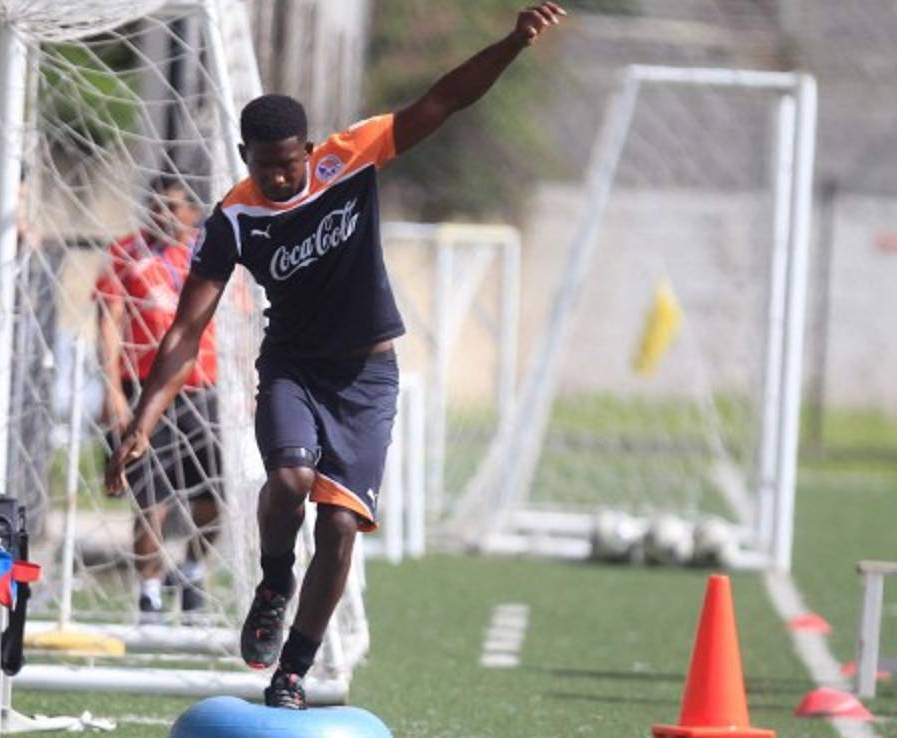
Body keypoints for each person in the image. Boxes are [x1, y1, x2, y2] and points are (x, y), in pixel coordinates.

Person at [107, 3, 567, 708]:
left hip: (366, 376)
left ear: (308, 149)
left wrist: (511, 43)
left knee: (342, 525)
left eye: (289, 166)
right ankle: (271, 581)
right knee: (289, 480)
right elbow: (186, 329)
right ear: (244, 160)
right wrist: (143, 418)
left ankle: (293, 669)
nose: (282, 181)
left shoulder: (348, 157)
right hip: (291, 367)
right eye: (266, 169)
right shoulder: (233, 216)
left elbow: (442, 99)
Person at [96, 176, 223, 623]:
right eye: (155, 206)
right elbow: (108, 321)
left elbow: (238, 320)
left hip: (205, 389)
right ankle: (149, 591)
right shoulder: (125, 253)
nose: (163, 215)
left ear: (191, 211)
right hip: (146, 390)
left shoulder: (210, 252)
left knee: (213, 494)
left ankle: (192, 571)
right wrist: (111, 388)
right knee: (150, 496)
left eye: (173, 207)